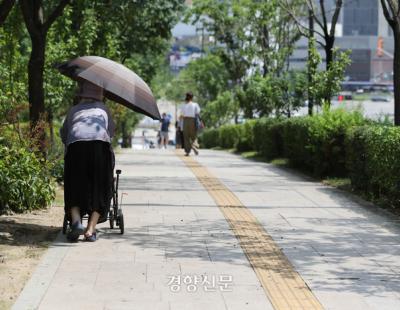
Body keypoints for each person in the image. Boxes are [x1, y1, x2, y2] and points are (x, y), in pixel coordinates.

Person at [60, 81, 115, 242]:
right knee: (100, 185)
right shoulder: (103, 109)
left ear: (81, 94)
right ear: (100, 95)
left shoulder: (74, 110)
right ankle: (90, 230)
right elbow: (111, 132)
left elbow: (64, 133)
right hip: (100, 146)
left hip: (76, 146)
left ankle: (76, 221)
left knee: (74, 184)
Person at [181, 92, 200, 156]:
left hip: (185, 120)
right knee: (193, 136)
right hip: (193, 120)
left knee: (186, 137)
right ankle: (194, 146)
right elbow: (197, 113)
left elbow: (182, 114)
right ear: (192, 97)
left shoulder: (184, 105)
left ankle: (187, 151)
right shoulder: (195, 104)